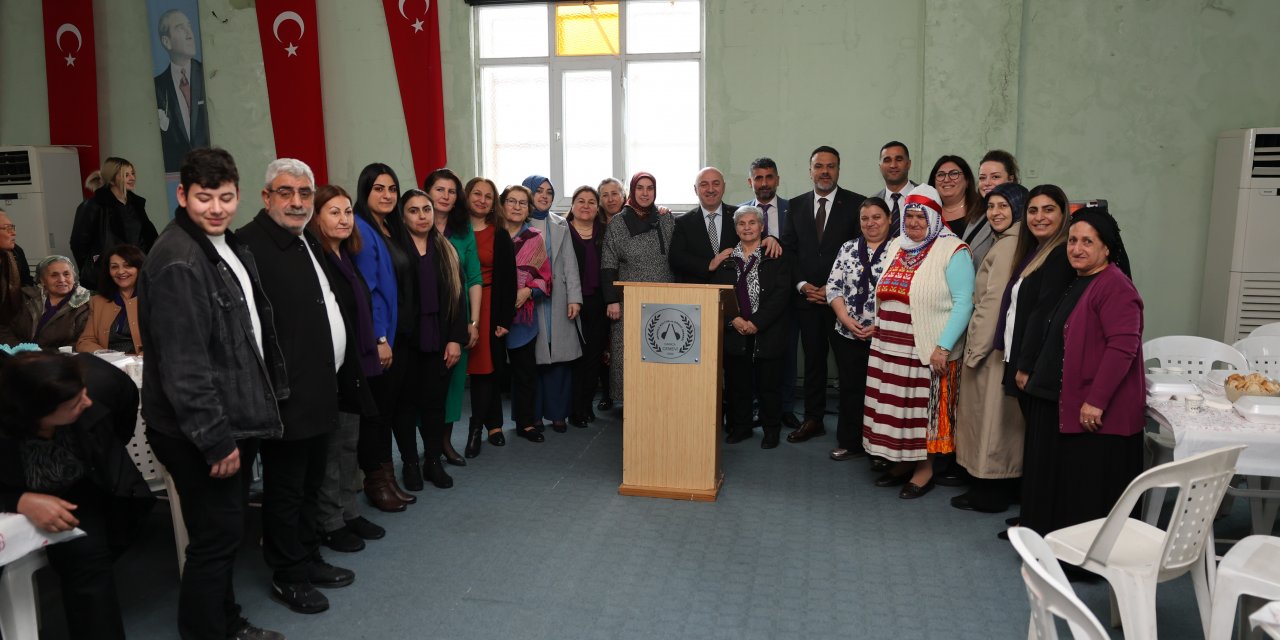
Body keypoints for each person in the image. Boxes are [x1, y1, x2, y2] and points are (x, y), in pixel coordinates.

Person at [139, 147, 286, 640]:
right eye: (204, 198)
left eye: (225, 197)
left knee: (220, 536)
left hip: (231, 418)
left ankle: (227, 623)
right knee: (215, 540)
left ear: (239, 194)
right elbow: (185, 366)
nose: (217, 208)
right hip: (201, 430)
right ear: (182, 195)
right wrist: (215, 439)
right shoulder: (179, 259)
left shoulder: (223, 243)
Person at [238, 159, 355, 614]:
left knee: (310, 482)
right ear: (266, 198)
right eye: (286, 192)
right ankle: (288, 573)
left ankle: (307, 556)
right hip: (284, 393)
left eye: (305, 194)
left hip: (319, 384)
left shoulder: (304, 238)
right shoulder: (248, 245)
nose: (297, 201)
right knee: (286, 489)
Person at [0, 351, 155, 640]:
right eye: (74, 404)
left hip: (79, 484)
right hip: (12, 489)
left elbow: (120, 423)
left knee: (87, 558)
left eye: (83, 393)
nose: (87, 402)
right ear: (36, 414)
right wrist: (20, 500)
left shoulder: (98, 386)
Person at [1019, 207, 1144, 534]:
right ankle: (1053, 543)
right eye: (1073, 240)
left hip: (1098, 412)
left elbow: (1123, 348)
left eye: (1088, 241)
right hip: (1066, 399)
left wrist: (1096, 400)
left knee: (1085, 487)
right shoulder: (1082, 280)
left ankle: (1082, 558)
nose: (1077, 248)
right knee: (1064, 483)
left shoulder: (1116, 286)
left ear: (1106, 248)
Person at [863, 184, 975, 499]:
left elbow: (964, 302)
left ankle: (924, 470)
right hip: (889, 349)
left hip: (924, 350)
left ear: (935, 218)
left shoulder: (953, 250)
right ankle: (901, 463)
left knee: (920, 414)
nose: (913, 223)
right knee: (897, 410)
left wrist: (943, 347)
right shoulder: (898, 244)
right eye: (909, 215)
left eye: (920, 216)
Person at [306, 184, 382, 553]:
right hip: (330, 368)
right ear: (316, 217)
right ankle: (330, 521)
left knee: (350, 442)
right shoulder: (316, 260)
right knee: (332, 449)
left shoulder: (346, 258)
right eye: (334, 212)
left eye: (348, 212)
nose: (344, 218)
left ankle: (348, 511)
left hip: (354, 363)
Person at [998, 184, 1073, 535]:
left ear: (1063, 214)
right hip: (1021, 357)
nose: (1039, 217)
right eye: (1032, 211)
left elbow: (1045, 317)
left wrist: (1026, 366)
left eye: (1048, 210)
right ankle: (1033, 516)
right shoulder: (1036, 251)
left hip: (1037, 366)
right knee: (1036, 445)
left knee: (1044, 450)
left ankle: (1037, 521)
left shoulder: (1059, 256)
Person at [779, 146, 865, 444]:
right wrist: (802, 285)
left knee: (848, 365)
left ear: (838, 170)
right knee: (813, 362)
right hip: (807, 300)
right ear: (810, 170)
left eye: (830, 166)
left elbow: (859, 253)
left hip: (844, 302)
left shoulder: (856, 205)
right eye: (819, 166)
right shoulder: (795, 205)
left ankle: (852, 425)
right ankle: (813, 419)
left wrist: (830, 290)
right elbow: (788, 252)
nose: (824, 171)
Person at [952, 183, 1029, 513]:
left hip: (990, 349)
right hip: (998, 344)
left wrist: (974, 351)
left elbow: (992, 303)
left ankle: (988, 493)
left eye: (1003, 206)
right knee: (994, 422)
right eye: (991, 206)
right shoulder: (1011, 241)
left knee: (990, 423)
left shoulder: (1008, 246)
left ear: (1017, 208)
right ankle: (994, 486)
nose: (995, 212)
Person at [391, 188, 467, 489]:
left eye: (427, 209)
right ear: (403, 215)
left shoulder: (446, 249)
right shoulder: (394, 250)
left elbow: (458, 300)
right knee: (405, 405)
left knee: (434, 405)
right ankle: (410, 463)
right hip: (405, 341)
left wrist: (455, 339)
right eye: (414, 210)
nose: (422, 216)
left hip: (439, 338)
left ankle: (432, 461)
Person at [350, 163, 416, 511]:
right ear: (365, 191)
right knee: (375, 414)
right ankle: (376, 480)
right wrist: (379, 339)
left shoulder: (389, 227)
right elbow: (368, 291)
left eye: (392, 188)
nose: (387, 195)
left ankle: (387, 476)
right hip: (382, 338)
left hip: (399, 333)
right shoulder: (361, 229)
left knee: (389, 410)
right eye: (379, 188)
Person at [713, 206, 793, 448]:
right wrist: (733, 320)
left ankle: (770, 430)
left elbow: (781, 295)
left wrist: (756, 323)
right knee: (738, 385)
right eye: (741, 223)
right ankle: (741, 427)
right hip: (734, 331)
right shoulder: (726, 259)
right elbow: (718, 294)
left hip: (767, 331)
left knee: (769, 386)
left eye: (752, 222)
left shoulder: (775, 255)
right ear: (736, 228)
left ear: (761, 227)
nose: (747, 227)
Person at [825, 197, 894, 463]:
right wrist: (845, 319)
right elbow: (833, 287)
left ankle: (879, 448)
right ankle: (850, 441)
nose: (871, 223)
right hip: (848, 333)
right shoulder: (848, 248)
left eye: (877, 217)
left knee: (882, 392)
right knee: (850, 389)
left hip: (885, 334)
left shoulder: (899, 250)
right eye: (865, 218)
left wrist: (879, 324)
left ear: (888, 219)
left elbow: (904, 293)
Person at [601, 172, 675, 403]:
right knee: (629, 352)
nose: (645, 193)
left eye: (650, 188)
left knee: (662, 347)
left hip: (664, 296)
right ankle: (631, 403)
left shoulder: (666, 218)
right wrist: (612, 300)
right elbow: (608, 263)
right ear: (632, 192)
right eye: (640, 188)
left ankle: (660, 398)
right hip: (629, 299)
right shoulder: (618, 223)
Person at [424, 168, 480, 466]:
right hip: (425, 319)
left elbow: (474, 278)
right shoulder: (415, 224)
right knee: (424, 384)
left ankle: (444, 441)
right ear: (427, 193)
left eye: (451, 191)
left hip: (458, 319)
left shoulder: (463, 229)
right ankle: (427, 445)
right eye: (439, 190)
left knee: (454, 382)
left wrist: (474, 323)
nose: (445, 196)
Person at [740, 157, 799, 430]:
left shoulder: (793, 210)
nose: (764, 183)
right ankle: (754, 407)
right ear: (750, 182)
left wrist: (776, 241)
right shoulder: (740, 214)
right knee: (752, 357)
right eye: (758, 178)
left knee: (785, 354)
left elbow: (800, 250)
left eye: (769, 177)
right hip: (751, 303)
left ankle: (785, 408)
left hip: (784, 296)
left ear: (777, 179)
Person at [522, 175, 583, 434]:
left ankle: (558, 414)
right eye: (539, 191)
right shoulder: (518, 223)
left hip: (557, 299)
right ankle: (532, 416)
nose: (545, 196)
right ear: (528, 194)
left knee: (559, 357)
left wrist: (575, 298)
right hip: (529, 299)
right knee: (533, 359)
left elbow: (570, 263)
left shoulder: (561, 224)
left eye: (549, 192)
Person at [462, 178, 515, 455]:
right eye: (477, 194)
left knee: (485, 370)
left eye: (488, 196)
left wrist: (504, 320)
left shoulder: (499, 234)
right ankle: (491, 424)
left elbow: (510, 280)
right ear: (466, 196)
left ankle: (476, 429)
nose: (482, 200)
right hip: (458, 304)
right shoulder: (453, 231)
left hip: (489, 306)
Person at [501, 185, 550, 442]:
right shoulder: (492, 235)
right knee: (490, 375)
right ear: (502, 205)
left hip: (522, 316)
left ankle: (526, 422)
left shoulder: (534, 238)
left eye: (523, 203)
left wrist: (529, 292)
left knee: (525, 372)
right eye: (512, 201)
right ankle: (491, 427)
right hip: (492, 314)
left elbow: (545, 278)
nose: (517, 207)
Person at [70, 157, 158, 290]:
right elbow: (78, 243)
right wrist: (96, 266)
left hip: (136, 273)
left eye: (132, 173)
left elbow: (147, 238)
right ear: (111, 179)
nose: (132, 178)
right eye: (125, 175)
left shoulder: (136, 205)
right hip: (105, 278)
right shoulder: (92, 206)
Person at [567, 185, 606, 428]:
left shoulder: (605, 231)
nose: (586, 205)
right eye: (580, 201)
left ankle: (585, 405)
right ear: (572, 205)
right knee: (574, 357)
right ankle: (573, 408)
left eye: (591, 202)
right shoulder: (563, 230)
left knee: (593, 356)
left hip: (599, 301)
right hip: (571, 301)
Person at [153, 9, 210, 172]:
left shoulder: (208, 76)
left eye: (189, 27)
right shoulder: (158, 86)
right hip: (176, 176)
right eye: (180, 28)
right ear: (167, 41)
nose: (189, 34)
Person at [1, 255, 91, 350]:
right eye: (54, 275)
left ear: (74, 277)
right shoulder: (23, 297)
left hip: (60, 360)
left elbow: (83, 341)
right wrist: (21, 349)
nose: (61, 280)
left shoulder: (86, 304)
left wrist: (43, 355)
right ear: (42, 280)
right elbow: (4, 328)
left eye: (66, 274)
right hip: (17, 356)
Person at [669, 167, 740, 284]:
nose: (710, 189)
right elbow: (676, 258)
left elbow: (756, 243)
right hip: (698, 293)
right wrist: (708, 264)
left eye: (716, 184)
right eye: (704, 184)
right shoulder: (683, 222)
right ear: (695, 189)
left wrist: (770, 239)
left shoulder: (739, 216)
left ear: (724, 187)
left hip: (734, 293)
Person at [594, 177, 626, 411]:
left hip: (625, 290)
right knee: (603, 343)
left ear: (624, 196)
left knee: (623, 344)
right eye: (605, 194)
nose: (611, 198)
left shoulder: (633, 220)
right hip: (598, 291)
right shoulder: (595, 224)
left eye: (615, 193)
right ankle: (606, 392)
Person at [76, 244, 145, 354]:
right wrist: (108, 355)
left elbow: (165, 341)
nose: (121, 272)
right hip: (109, 364)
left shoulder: (155, 299)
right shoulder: (97, 301)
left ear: (139, 268)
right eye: (114, 267)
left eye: (127, 265)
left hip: (142, 364)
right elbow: (85, 341)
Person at [963, 150, 1021, 267]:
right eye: (982, 178)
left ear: (1011, 179)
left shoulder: (1016, 216)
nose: (987, 183)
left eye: (995, 177)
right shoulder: (978, 212)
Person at [927, 155, 981, 241]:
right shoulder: (927, 213)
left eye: (954, 174)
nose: (946, 180)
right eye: (941, 175)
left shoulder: (981, 211)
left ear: (967, 181)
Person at [874, 141, 917, 236]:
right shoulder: (873, 202)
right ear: (880, 167)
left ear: (908, 164)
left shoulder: (927, 196)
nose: (893, 165)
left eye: (899, 159)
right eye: (887, 160)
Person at [1, 209, 30, 329]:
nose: (13, 233)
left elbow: (26, 283)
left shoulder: (16, 252)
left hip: (12, 321)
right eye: (8, 228)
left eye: (13, 227)